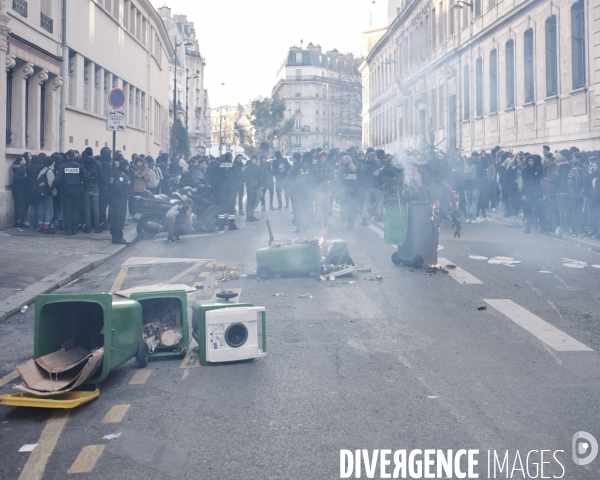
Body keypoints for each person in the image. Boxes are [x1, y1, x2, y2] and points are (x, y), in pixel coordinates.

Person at [56, 150, 85, 236]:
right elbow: (85, 177)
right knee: (75, 209)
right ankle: (74, 229)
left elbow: (58, 180)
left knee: (67, 210)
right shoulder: (79, 166)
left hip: (66, 190)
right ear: (74, 156)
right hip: (76, 190)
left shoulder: (62, 166)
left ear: (67, 156)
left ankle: (68, 229)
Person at [208, 152, 239, 231]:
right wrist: (235, 185)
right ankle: (231, 224)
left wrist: (216, 184)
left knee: (221, 207)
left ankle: (221, 224)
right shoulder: (234, 166)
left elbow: (209, 173)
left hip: (221, 190)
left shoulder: (218, 166)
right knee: (231, 207)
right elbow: (239, 177)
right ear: (231, 158)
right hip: (231, 190)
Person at [109, 155, 131, 244]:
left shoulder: (114, 173)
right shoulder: (122, 176)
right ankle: (118, 237)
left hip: (113, 199)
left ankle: (114, 236)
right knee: (120, 218)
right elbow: (118, 186)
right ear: (125, 166)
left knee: (114, 218)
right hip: (120, 200)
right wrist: (124, 195)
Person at [520, 155, 545, 234]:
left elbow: (541, 183)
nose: (531, 162)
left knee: (539, 210)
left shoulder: (539, 170)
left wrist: (543, 193)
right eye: (529, 161)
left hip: (537, 193)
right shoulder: (524, 171)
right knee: (528, 210)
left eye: (532, 161)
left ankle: (541, 226)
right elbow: (521, 183)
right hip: (527, 193)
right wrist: (522, 194)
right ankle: (528, 226)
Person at [336, 155, 360, 231]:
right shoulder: (357, 170)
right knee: (353, 208)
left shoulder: (341, 170)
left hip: (345, 192)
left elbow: (338, 181)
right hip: (355, 193)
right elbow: (362, 181)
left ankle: (344, 220)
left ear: (343, 161)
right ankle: (351, 224)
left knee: (344, 207)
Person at [82, 153, 103, 233]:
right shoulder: (97, 162)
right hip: (95, 186)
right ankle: (97, 227)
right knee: (96, 207)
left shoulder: (83, 162)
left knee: (87, 208)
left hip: (86, 186)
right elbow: (101, 174)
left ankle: (88, 226)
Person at [360, 152, 383, 225]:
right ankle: (378, 215)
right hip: (373, 186)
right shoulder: (373, 166)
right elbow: (375, 175)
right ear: (373, 157)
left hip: (365, 186)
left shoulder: (365, 166)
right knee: (380, 199)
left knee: (366, 201)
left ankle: (363, 219)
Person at [313, 150, 334, 228]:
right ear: (319, 158)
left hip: (328, 188)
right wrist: (326, 176)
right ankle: (319, 221)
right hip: (319, 188)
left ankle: (326, 221)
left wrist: (323, 175)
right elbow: (317, 176)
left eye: (324, 157)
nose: (323, 159)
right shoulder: (316, 166)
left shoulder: (329, 166)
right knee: (318, 205)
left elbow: (332, 176)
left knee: (327, 206)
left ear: (326, 158)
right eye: (322, 157)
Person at [11, 156, 27, 228]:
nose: (25, 161)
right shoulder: (19, 169)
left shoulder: (20, 168)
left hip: (19, 190)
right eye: (23, 160)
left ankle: (19, 221)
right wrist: (24, 176)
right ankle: (19, 222)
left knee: (19, 206)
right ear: (20, 161)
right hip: (20, 190)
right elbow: (16, 178)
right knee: (20, 206)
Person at [243, 156, 261, 222]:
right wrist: (248, 184)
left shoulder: (258, 168)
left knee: (254, 200)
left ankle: (252, 214)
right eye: (253, 159)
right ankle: (248, 215)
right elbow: (245, 177)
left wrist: (260, 184)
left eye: (255, 160)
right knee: (249, 201)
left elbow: (259, 177)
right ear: (251, 160)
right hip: (250, 186)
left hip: (256, 186)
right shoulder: (248, 168)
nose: (254, 161)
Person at [98, 147, 112, 229]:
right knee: (103, 206)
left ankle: (101, 221)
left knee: (101, 205)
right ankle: (103, 222)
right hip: (104, 188)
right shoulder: (106, 164)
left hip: (100, 186)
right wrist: (107, 185)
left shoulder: (100, 161)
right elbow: (105, 176)